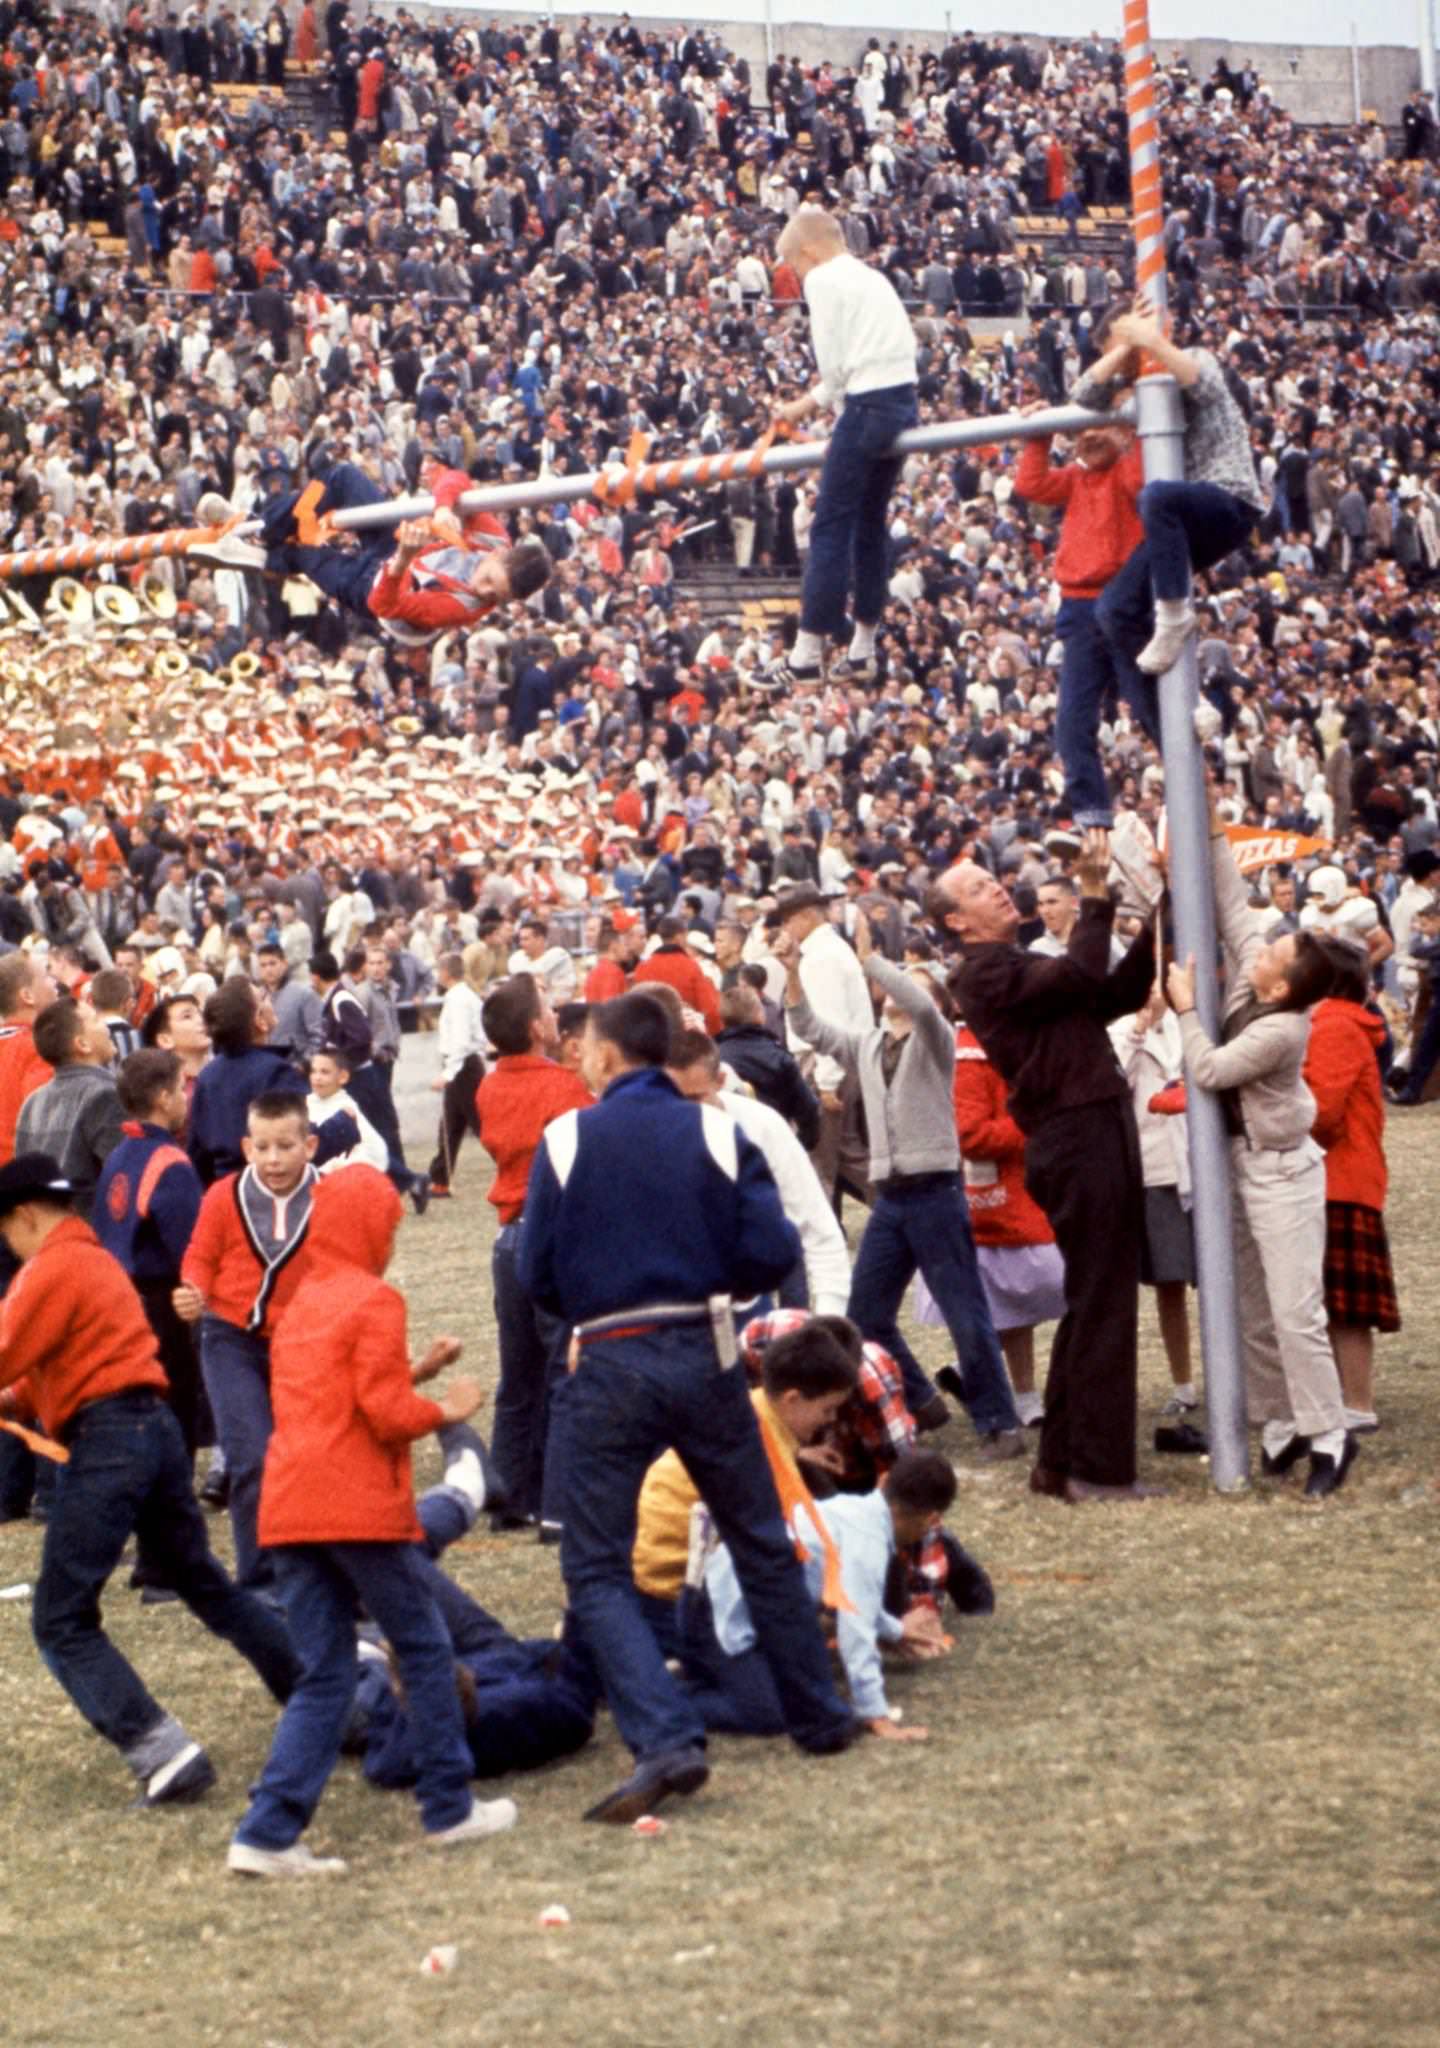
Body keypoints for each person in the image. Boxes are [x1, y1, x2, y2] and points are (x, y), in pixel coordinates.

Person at [517, 991, 858, 1823]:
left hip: (606, 1356)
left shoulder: (565, 1139)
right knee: (758, 1537)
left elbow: (537, 1274)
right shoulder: (718, 1128)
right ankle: (819, 1717)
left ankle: (665, 1740)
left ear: (604, 1056)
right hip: (704, 1351)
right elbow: (772, 1248)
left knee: (596, 1566)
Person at [227, 1167, 517, 1877]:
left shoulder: (299, 1305)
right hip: (354, 1504)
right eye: (387, 1227)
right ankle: (450, 1805)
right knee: (420, 1648)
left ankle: (267, 1832)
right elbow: (381, 1414)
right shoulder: (374, 1298)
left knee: (324, 1674)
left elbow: (340, 1397)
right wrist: (447, 1410)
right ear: (370, 1229)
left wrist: (415, 1370)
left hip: (290, 1508)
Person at [0, 1154, 297, 1809]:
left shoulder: (47, 1270)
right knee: (205, 1584)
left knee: (61, 1621)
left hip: (108, 1442)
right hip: (157, 1430)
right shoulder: (95, 1259)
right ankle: (317, 1693)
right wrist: (19, 1400)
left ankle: (162, 1753)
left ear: (24, 1216)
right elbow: (68, 1351)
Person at [932, 829, 1157, 1502]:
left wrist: (1162, 920)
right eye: (978, 889)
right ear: (956, 921)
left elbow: (1111, 994)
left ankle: (1062, 1463)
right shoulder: (986, 970)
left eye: (992, 879)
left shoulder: (1016, 963)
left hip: (1088, 1125)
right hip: (1075, 1132)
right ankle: (1096, 1469)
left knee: (1095, 1297)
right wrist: (1093, 897)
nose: (999, 887)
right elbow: (1085, 974)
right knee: (1103, 1299)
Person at [776, 916, 1023, 1454]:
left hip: (935, 1190)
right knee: (865, 1315)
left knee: (966, 1313)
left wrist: (874, 959)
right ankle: (922, 1400)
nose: (892, 991)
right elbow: (813, 1029)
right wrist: (792, 975)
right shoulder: (869, 1043)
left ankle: (998, 1421)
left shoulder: (937, 1039)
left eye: (908, 983)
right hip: (892, 1196)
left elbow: (924, 1003)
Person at [1166, 826, 1355, 1497]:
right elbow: (1232, 902)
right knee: (1251, 1307)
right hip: (1241, 1168)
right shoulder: (1261, 978)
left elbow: (1213, 1069)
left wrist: (1186, 1010)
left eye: (1273, 952)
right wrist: (1206, 821)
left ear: (1279, 987)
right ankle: (1279, 1427)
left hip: (1281, 1172)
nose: (1261, 945)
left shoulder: (1281, 1028)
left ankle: (1330, 1436)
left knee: (1295, 1310)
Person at [686, 1449, 958, 1742]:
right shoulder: (868, 1542)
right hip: (718, 1618)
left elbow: (855, 1602)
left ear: (884, 1481)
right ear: (931, 1519)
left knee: (803, 1695)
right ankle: (661, 1701)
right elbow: (856, 1630)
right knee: (769, 1713)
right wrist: (876, 1715)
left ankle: (689, 1679)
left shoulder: (851, 1510)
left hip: (711, 1600)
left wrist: (895, 1630)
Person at [1075, 293, 1264, 704]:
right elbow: (1083, 394)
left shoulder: (1190, 357)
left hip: (1228, 498)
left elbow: (1207, 385)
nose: (1121, 362)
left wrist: (1152, 340)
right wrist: (1127, 344)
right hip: (1179, 521)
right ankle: (1186, 711)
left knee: (1156, 496)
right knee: (1114, 611)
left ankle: (1175, 613)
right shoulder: (1136, 386)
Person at [767, 205, 918, 688]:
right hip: (902, 401)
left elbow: (834, 368)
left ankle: (808, 649)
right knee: (870, 523)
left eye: (794, 266)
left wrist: (804, 407)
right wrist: (801, 409)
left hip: (867, 403)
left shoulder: (825, 280)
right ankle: (862, 646)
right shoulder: (872, 277)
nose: (796, 277)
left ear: (807, 252)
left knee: (829, 523)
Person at [176, 1091, 321, 1584]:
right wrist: (193, 1289)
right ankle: (258, 1579)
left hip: (302, 1344)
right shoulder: (224, 1195)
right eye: (262, 1147)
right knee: (250, 1456)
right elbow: (200, 1254)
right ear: (245, 1147)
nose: (273, 1159)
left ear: (310, 1145)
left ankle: (309, 1569)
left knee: (306, 1459)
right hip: (229, 1338)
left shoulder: (330, 1196)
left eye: (285, 1145)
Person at [195, 462, 552, 652]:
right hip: (394, 540)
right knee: (343, 477)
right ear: (501, 553)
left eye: (496, 597)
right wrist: (444, 509)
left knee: (303, 551)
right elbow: (454, 478)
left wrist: (400, 562)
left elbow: (385, 604)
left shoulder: (463, 607)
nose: (484, 591)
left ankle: (263, 548)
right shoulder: (492, 534)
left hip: (375, 588)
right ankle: (257, 529)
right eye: (490, 580)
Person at [475, 975, 591, 1536]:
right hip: (553, 1234)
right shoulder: (564, 1089)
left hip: (507, 1235)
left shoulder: (488, 1087)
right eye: (547, 1009)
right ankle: (558, 1504)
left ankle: (508, 1494)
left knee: (516, 1375)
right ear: (537, 1028)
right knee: (563, 1368)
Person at [1012, 403, 1143, 831]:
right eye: (1081, 430)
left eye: (1100, 427)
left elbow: (1142, 477)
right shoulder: (1074, 479)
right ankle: (1091, 815)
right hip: (1079, 607)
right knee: (1072, 722)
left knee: (1147, 707)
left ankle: (1191, 789)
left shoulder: (1125, 472)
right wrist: (1041, 433)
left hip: (1123, 601)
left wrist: (1133, 426)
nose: (1090, 437)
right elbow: (1030, 483)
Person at [93, 1049, 206, 1528]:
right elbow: (192, 1246)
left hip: (120, 1300)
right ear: (163, 1098)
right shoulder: (169, 1162)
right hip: (163, 1302)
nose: (185, 1097)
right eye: (180, 1087)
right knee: (176, 1404)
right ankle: (170, 1506)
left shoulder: (119, 1155)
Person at [666, 1028, 850, 1315]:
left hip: (745, 1304)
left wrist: (831, 1312)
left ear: (720, 1080)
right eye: (675, 1100)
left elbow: (816, 1225)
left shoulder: (761, 1125)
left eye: (696, 1098)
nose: (686, 1112)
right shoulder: (650, 1134)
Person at [1302, 941, 1399, 1437]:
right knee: (1338, 1302)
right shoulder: (1337, 1022)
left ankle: (1357, 1402)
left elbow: (1321, 1112)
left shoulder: (1334, 1026)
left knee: (1344, 1305)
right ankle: (1350, 1399)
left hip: (1338, 1177)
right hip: (1343, 1176)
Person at [1108, 987, 1198, 1418]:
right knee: (1169, 1283)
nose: (1150, 995)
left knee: (1220, 1280)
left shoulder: (1191, 1026)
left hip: (1199, 1167)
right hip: (1154, 1171)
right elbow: (1110, 1085)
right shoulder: (1120, 1032)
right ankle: (1183, 1383)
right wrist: (1137, 1033)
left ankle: (1240, 1375)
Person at [771, 885, 874, 1213]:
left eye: (787, 922)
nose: (785, 930)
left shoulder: (822, 956)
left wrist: (828, 1081)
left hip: (826, 1064)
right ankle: (905, 1210)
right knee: (843, 1155)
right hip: (840, 1062)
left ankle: (907, 1209)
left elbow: (830, 1024)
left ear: (803, 918)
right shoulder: (828, 950)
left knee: (821, 1161)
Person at [189, 979, 307, 1186]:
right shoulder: (276, 1072)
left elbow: (198, 1155)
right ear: (259, 1020)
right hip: (267, 1189)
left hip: (222, 1191)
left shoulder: (208, 1075)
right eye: (263, 997)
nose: (269, 998)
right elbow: (297, 1143)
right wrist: (342, 1126)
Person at [15, 998, 125, 1219]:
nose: (105, 1025)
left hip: (46, 1237)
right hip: (91, 1236)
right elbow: (123, 1180)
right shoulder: (105, 1095)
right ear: (82, 1044)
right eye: (95, 1020)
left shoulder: (32, 1102)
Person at [714, 984, 821, 1147]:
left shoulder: (713, 1059)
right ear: (760, 1014)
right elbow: (808, 1107)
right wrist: (802, 1144)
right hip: (775, 1141)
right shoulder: (778, 1058)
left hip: (729, 1144)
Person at [428, 951, 488, 1196]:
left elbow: (462, 1041)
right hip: (462, 1065)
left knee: (483, 1125)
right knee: (450, 1125)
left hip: (464, 1068)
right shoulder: (459, 997)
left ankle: (516, 1169)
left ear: (445, 973)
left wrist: (449, 1072)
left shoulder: (460, 1000)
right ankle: (440, 1179)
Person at [306, 1047, 388, 1175]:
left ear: (343, 1077)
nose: (317, 1077)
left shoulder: (346, 1107)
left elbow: (373, 1148)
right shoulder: (306, 1103)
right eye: (313, 1072)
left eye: (324, 1072)